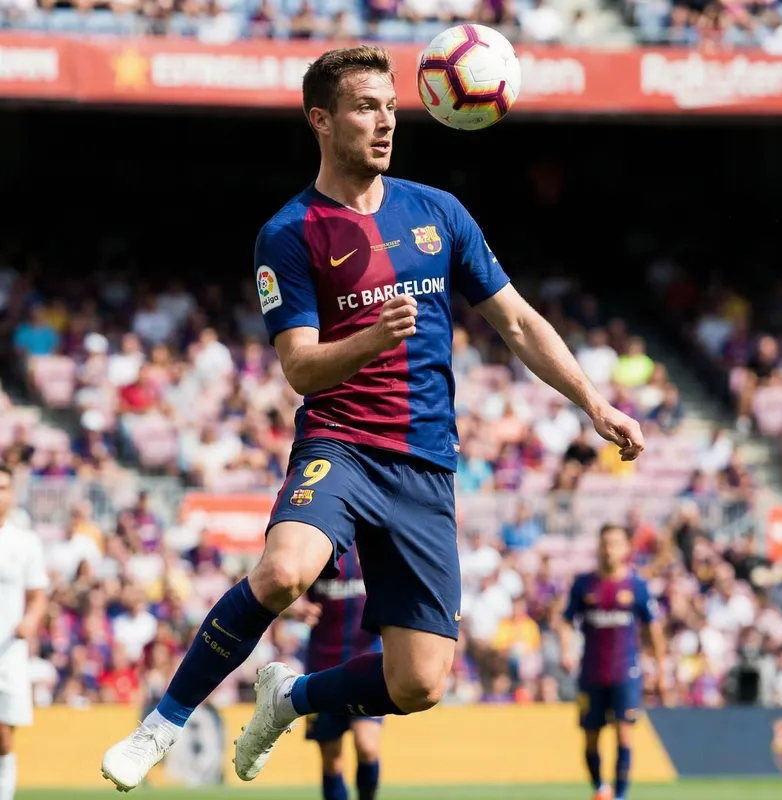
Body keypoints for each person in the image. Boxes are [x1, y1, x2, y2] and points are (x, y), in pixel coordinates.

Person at [102, 44, 644, 792]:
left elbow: (517, 322)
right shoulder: (289, 233)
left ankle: (291, 696)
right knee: (286, 571)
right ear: (320, 120)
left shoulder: (439, 213)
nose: (386, 121)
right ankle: (161, 725)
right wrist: (369, 340)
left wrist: (594, 402)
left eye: (391, 106)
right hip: (342, 445)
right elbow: (298, 367)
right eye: (366, 106)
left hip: (426, 463)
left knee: (420, 683)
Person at [560, 524, 666, 800]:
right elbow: (565, 622)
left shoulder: (637, 586)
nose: (609, 549)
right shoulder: (584, 584)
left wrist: (662, 670)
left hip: (625, 672)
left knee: (624, 733)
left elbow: (654, 630)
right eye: (605, 543)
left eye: (615, 543)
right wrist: (566, 650)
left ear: (626, 549)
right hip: (591, 672)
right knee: (591, 737)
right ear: (598, 547)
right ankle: (600, 788)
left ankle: (620, 795)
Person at [284, 550, 382, 800]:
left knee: (367, 746)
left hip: (367, 660)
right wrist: (296, 608)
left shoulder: (377, 540)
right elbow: (280, 592)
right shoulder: (320, 543)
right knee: (331, 759)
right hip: (323, 663)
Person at [0, 465, 49, 800]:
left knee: (3, 732)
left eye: (3, 487)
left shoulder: (24, 541)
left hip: (7, 651)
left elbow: (37, 594)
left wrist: (31, 621)